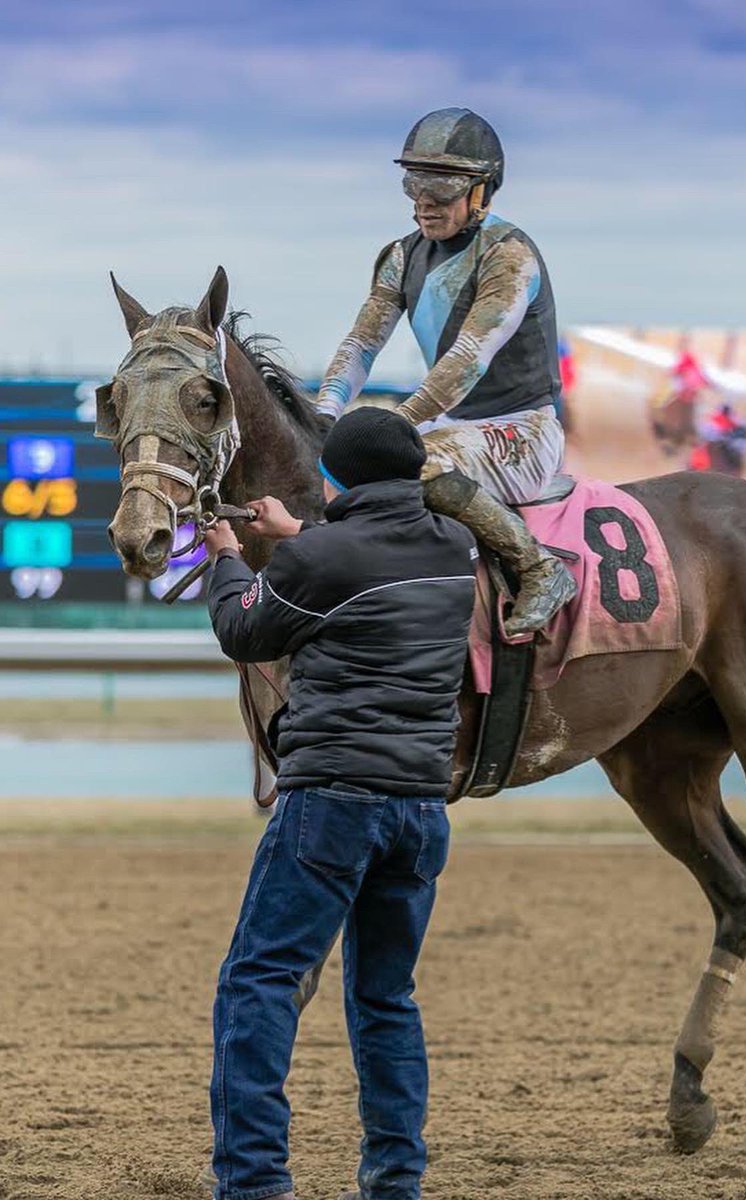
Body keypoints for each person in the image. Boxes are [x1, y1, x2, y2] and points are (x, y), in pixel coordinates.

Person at [203, 407, 477, 1200]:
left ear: (334, 476)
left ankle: (253, 1183)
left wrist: (229, 555)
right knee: (385, 997)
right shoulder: (455, 547)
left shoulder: (322, 556)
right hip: (421, 812)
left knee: (257, 982)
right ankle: (396, 1179)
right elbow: (359, 558)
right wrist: (295, 536)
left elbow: (240, 630)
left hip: (330, 805)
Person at [313, 107, 576, 637]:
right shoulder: (400, 256)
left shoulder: (509, 255)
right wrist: (323, 411)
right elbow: (363, 342)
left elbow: (468, 359)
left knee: (418, 460)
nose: (424, 205)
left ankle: (539, 567)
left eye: (441, 190)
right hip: (454, 425)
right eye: (414, 186)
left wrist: (398, 425)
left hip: (521, 429)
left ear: (482, 191)